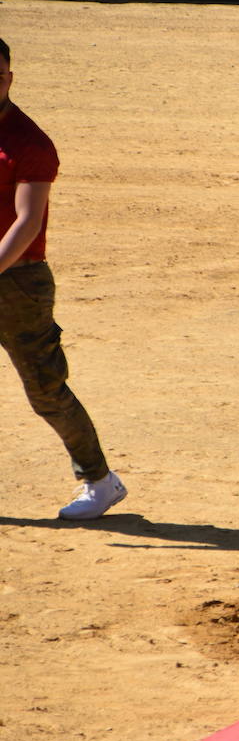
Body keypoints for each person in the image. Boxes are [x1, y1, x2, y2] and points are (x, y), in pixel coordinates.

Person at [0, 37, 126, 519]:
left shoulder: (31, 143)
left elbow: (27, 222)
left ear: (9, 78)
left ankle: (100, 481)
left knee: (46, 389)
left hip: (19, 284)